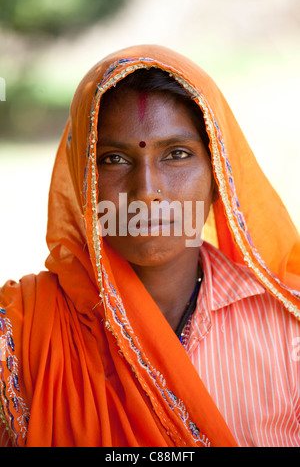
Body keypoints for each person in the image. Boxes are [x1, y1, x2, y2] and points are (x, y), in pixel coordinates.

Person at [0, 45, 299, 448]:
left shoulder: (287, 330)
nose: (145, 193)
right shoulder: (23, 332)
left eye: (176, 154)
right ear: (83, 178)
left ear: (218, 176)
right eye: (112, 159)